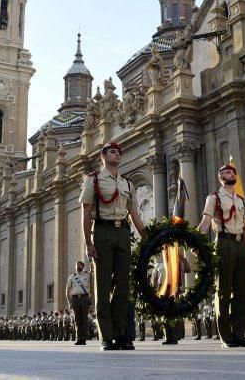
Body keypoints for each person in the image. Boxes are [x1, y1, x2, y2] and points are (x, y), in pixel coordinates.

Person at [80, 141, 145, 351]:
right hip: (102, 232)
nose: (116, 154)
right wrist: (88, 243)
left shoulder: (127, 184)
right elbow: (86, 213)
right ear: (103, 156)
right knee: (103, 284)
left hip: (123, 233)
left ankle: (121, 334)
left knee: (123, 287)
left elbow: (135, 214)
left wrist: (148, 238)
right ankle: (105, 336)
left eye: (118, 152)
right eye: (112, 152)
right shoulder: (94, 180)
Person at [198, 164, 245, 349]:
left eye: (231, 172)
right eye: (225, 172)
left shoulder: (242, 201)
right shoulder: (214, 198)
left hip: (240, 246)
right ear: (220, 177)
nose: (229, 174)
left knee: (240, 293)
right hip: (223, 243)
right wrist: (196, 241)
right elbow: (206, 222)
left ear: (235, 176)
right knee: (223, 291)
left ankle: (239, 334)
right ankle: (226, 337)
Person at [65, 260, 91, 346]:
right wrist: (69, 302)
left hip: (84, 298)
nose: (77, 266)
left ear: (83, 266)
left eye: (79, 265)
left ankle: (84, 339)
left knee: (84, 319)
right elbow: (67, 291)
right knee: (77, 320)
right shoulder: (71, 277)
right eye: (76, 265)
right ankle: (78, 338)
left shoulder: (87, 275)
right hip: (75, 299)